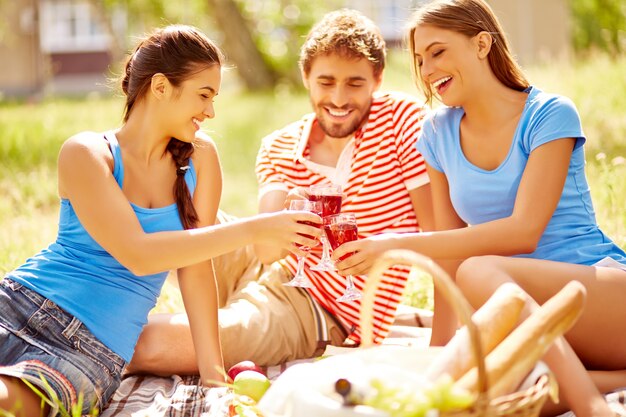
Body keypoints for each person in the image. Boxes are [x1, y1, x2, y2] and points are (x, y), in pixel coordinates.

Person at [0, 25, 321, 417]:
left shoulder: (201, 159)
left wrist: (215, 378)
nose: (211, 111)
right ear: (160, 87)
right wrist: (255, 228)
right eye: (204, 95)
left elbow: (195, 268)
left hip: (93, 347)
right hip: (21, 304)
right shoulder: (86, 152)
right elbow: (139, 254)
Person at [329, 0, 626, 415]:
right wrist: (437, 349)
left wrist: (392, 244)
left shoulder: (549, 115)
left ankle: (594, 406)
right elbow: (449, 250)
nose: (429, 70)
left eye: (438, 51)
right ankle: (607, 383)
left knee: (479, 269)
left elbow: (524, 232)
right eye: (419, 59)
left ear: (483, 44)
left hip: (599, 296)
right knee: (467, 395)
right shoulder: (435, 132)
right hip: (521, 315)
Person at [127, 8, 441, 377]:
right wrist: (288, 216)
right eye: (326, 82)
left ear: (378, 79)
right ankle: (82, 304)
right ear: (306, 77)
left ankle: (88, 342)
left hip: (316, 305)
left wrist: (385, 249)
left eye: (354, 84)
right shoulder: (281, 144)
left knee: (149, 344)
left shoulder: (402, 121)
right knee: (153, 212)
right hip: (263, 262)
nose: (339, 99)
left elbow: (437, 231)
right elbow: (266, 250)